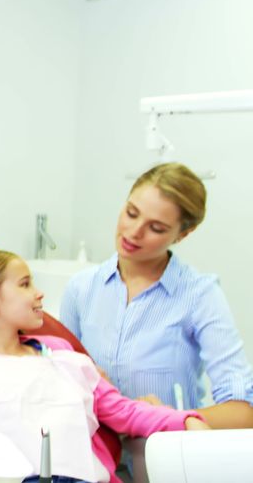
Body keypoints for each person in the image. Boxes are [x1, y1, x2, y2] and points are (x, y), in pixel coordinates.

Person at [0, 250, 209, 483]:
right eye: (25, 284)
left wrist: (184, 420)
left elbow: (122, 411)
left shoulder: (62, 357)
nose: (39, 293)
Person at [60, 162, 253, 429]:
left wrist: (169, 419)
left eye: (156, 228)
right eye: (131, 213)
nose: (134, 231)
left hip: (164, 460)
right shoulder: (82, 288)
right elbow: (58, 376)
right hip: (96, 459)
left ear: (183, 234)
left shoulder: (199, 295)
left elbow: (243, 412)